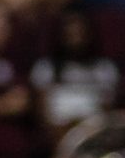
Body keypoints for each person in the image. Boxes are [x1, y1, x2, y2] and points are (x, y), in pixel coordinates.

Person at [30, 9, 119, 138]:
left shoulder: (104, 68)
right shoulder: (45, 68)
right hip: (57, 132)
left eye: (79, 34)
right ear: (61, 36)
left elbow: (107, 111)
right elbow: (42, 112)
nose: (75, 40)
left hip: (92, 132)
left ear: (89, 35)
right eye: (70, 35)